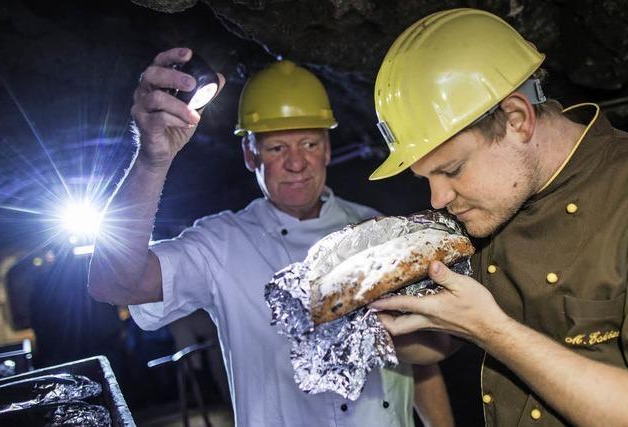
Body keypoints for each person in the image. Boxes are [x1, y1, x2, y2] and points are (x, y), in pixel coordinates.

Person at [88, 48, 454, 426]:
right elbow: (115, 284)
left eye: (309, 144)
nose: (296, 163)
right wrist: (152, 159)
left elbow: (421, 360)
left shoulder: (376, 230)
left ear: (327, 148)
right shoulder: (222, 245)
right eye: (277, 147)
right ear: (250, 154)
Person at [365, 7, 628, 426]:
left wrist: (493, 332)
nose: (438, 198)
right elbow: (441, 340)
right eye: (426, 178)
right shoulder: (492, 206)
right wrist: (377, 322)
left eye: (452, 171)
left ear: (518, 119)